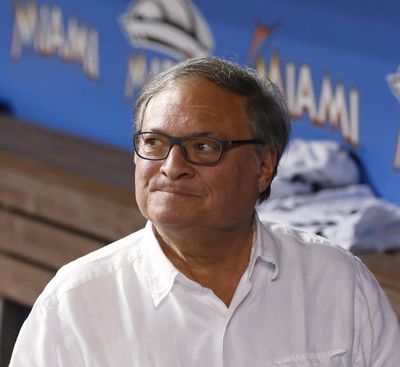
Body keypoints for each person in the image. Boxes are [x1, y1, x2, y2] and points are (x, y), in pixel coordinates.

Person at [9, 57, 400, 366]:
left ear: (264, 166)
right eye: (154, 142)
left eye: (203, 147)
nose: (171, 166)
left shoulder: (338, 283)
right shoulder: (75, 303)